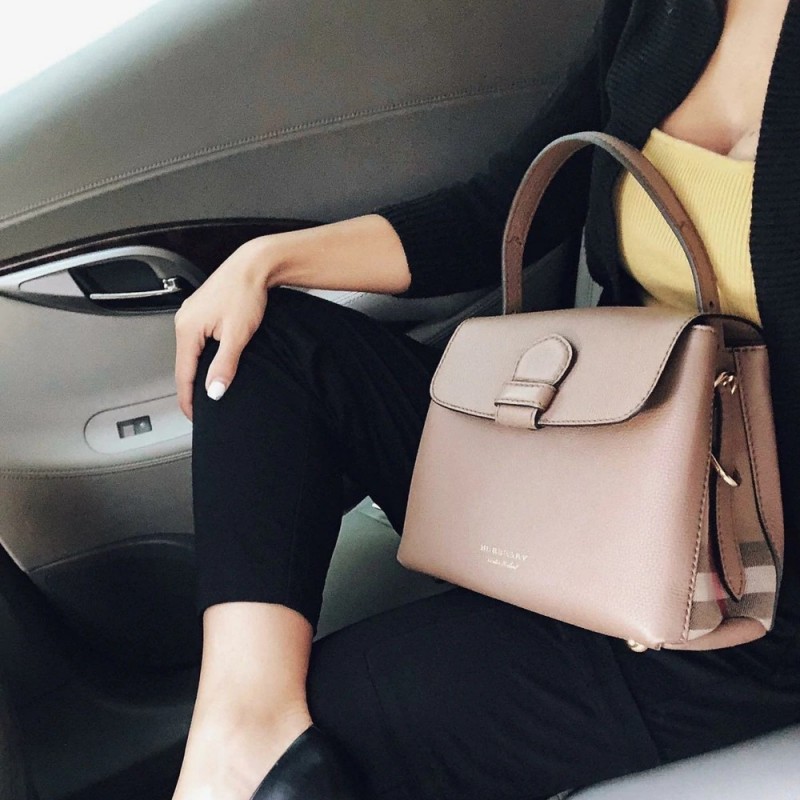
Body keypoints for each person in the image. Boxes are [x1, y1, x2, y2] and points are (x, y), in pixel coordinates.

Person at [170, 1, 800, 798]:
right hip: (611, 451)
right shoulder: (666, 10)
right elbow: (497, 206)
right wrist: (264, 261)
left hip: (750, 579)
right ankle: (236, 728)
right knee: (267, 343)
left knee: (330, 728)